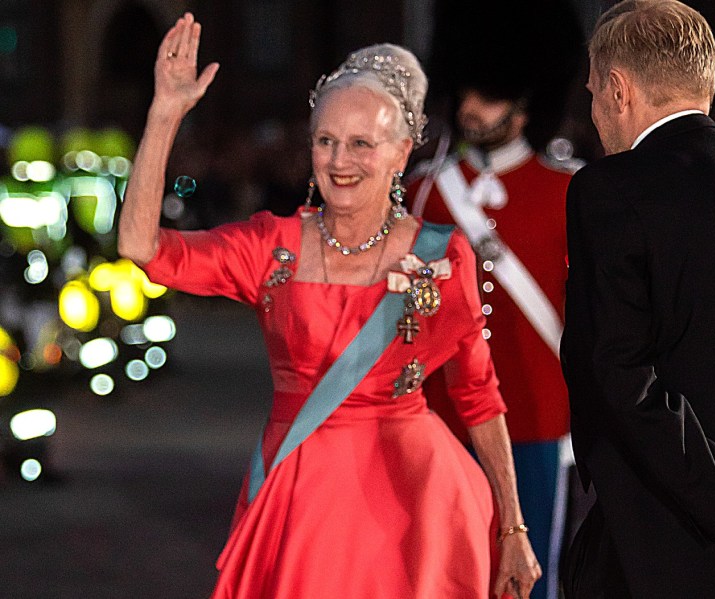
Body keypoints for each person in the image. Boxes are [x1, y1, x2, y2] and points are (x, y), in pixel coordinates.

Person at [117, 12, 540, 599]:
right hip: (302, 499)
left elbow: (478, 396)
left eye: (361, 144)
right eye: (326, 141)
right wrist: (164, 114)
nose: (340, 161)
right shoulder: (272, 246)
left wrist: (513, 528)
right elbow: (141, 247)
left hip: (415, 501)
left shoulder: (443, 257)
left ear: (400, 154)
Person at [560, 1, 715, 597]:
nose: (593, 113)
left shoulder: (609, 190)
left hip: (650, 553)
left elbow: (616, 377)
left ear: (617, 89)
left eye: (593, 92)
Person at [408, 81, 574, 599]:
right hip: (445, 414)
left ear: (525, 106)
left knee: (527, 576)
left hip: (538, 414)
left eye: (489, 95)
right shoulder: (424, 192)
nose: (469, 109)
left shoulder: (570, 189)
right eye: (466, 95)